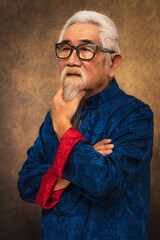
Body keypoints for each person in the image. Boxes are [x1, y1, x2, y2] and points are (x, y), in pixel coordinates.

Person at [18, 10, 153, 240]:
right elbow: (26, 184)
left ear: (113, 63)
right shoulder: (57, 112)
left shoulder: (135, 115)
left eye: (86, 49)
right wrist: (78, 165)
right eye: (65, 48)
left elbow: (103, 184)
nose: (71, 60)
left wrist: (63, 128)